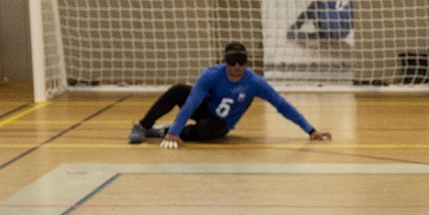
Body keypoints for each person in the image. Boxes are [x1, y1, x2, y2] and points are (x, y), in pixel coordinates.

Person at [127, 42, 332, 148]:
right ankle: (143, 126)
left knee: (211, 132)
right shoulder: (211, 74)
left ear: (246, 63)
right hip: (205, 108)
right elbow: (192, 102)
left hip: (220, 122)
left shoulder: (254, 82)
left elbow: (282, 104)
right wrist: (177, 130)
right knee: (179, 90)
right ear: (225, 61)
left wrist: (310, 129)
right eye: (232, 62)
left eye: (241, 63)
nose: (236, 67)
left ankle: (162, 132)